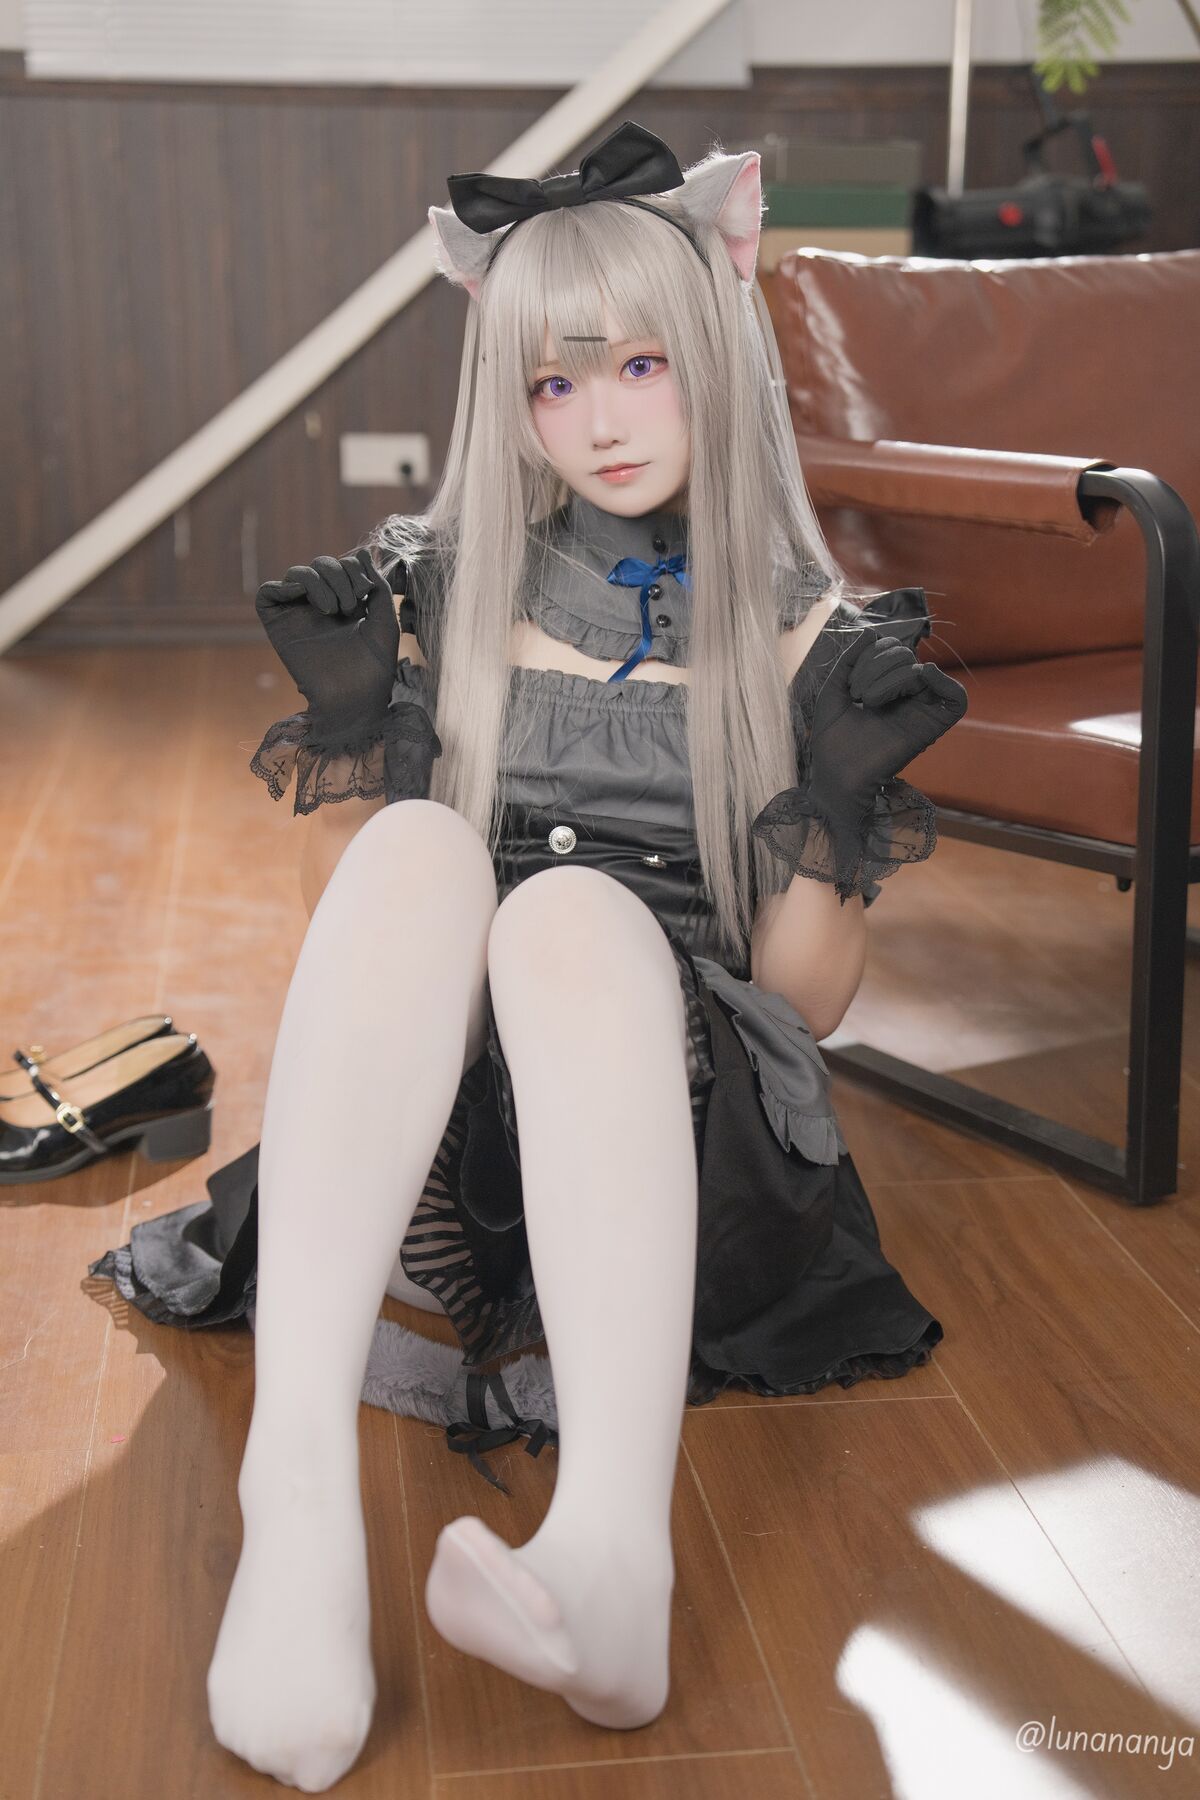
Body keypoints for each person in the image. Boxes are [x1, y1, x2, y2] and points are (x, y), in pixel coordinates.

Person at [91, 121, 968, 1791]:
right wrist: (378, 745)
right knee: (426, 851)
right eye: (555, 385)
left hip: (674, 1139)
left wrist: (830, 803)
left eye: (639, 365)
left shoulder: (807, 635)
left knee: (571, 915)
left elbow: (805, 1009)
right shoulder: (457, 590)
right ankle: (295, 1495)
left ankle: (614, 1556)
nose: (601, 421)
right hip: (455, 1137)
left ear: (713, 348)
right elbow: (360, 955)